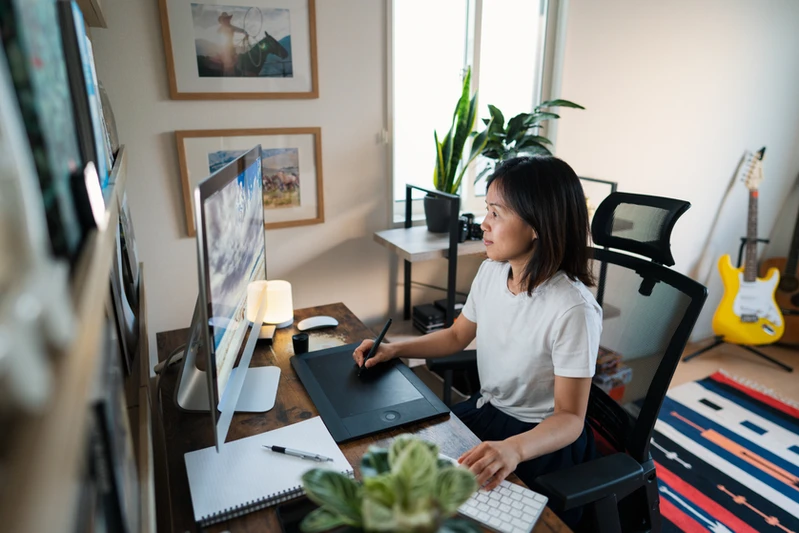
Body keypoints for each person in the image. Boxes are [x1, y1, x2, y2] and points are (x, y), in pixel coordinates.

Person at [353, 156, 601, 526]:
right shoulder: (492, 271)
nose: (483, 224)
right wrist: (395, 348)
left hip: (536, 442)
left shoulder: (572, 309)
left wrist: (514, 450)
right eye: (486, 210)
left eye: (496, 214)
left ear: (537, 225)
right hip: (487, 412)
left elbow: (570, 418)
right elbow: (456, 335)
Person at [217, 12, 247, 76]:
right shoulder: (221, 29)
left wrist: (245, 33)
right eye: (225, 19)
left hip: (231, 49)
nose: (227, 20)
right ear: (222, 20)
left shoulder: (231, 27)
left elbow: (241, 30)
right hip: (224, 49)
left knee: (236, 62)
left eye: (228, 19)